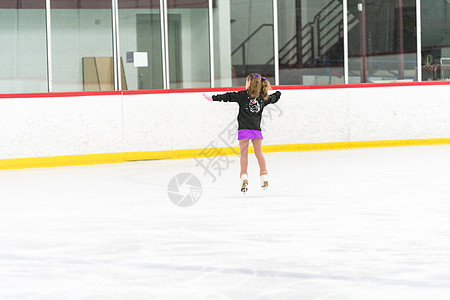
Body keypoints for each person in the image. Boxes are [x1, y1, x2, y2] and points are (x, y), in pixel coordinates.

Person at [202, 73, 281, 193]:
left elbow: (227, 96)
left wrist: (212, 98)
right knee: (259, 153)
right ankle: (264, 176)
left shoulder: (242, 95)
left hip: (243, 130)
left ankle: (244, 177)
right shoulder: (263, 98)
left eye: (246, 82)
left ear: (249, 84)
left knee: (244, 155)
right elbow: (274, 98)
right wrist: (278, 93)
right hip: (256, 130)